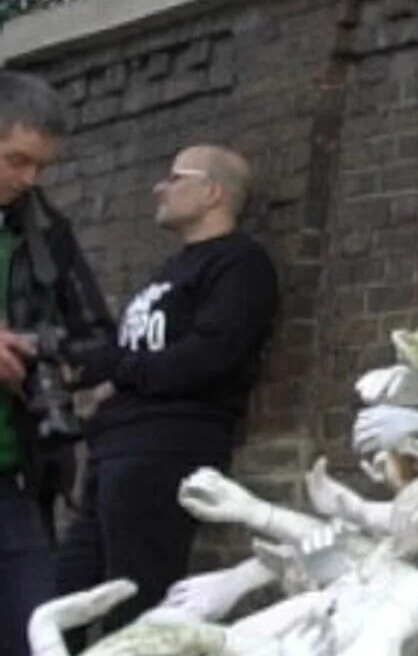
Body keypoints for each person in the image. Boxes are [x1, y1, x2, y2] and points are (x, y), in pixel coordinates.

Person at [56, 144, 279, 624]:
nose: (161, 187)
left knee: (134, 599)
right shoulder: (170, 271)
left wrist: (119, 368)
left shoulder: (240, 264)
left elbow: (207, 357)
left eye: (176, 177)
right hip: (113, 450)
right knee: (66, 594)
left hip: (165, 448)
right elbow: (139, 357)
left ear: (212, 192)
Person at [0, 71, 114, 656]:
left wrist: (42, 351)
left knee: (42, 652)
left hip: (14, 476)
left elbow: (100, 337)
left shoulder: (47, 232)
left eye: (40, 166)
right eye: (17, 160)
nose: (28, 180)